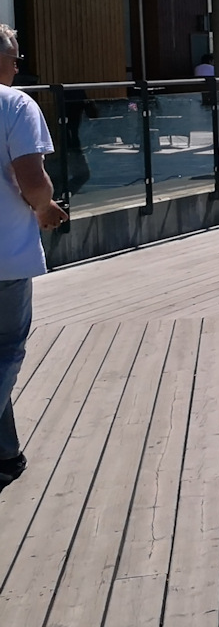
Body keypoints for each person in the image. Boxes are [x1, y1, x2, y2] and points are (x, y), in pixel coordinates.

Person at [0, 25, 67, 491]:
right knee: (6, 349)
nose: (20, 67)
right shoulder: (15, 104)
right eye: (16, 58)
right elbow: (33, 180)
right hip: (4, 254)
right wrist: (45, 210)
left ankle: (6, 454)